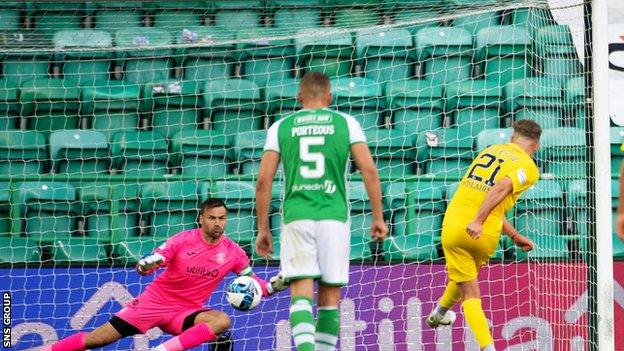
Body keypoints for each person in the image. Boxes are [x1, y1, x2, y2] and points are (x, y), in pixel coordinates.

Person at [42, 198, 287, 351]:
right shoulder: (182, 240)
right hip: (153, 303)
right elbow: (147, 265)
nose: (217, 223)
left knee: (221, 322)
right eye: (211, 218)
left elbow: (258, 287)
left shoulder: (234, 252)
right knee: (96, 340)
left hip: (185, 311)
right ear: (200, 219)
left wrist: (275, 286)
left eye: (222, 218)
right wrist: (146, 265)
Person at [255, 71, 388, 351]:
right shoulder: (346, 123)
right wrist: (378, 216)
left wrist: (263, 228)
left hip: (297, 215)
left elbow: (263, 181)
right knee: (329, 299)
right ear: (329, 97)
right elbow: (369, 171)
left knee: (300, 293)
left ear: (299, 97)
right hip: (334, 217)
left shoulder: (281, 126)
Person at [426, 120, 541, 351]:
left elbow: (489, 198)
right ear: (536, 146)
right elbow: (501, 188)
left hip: (455, 224)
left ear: (512, 138)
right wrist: (478, 221)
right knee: (469, 287)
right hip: (483, 231)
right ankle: (487, 347)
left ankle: (438, 314)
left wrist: (514, 235)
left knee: (464, 281)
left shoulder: (489, 151)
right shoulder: (528, 166)